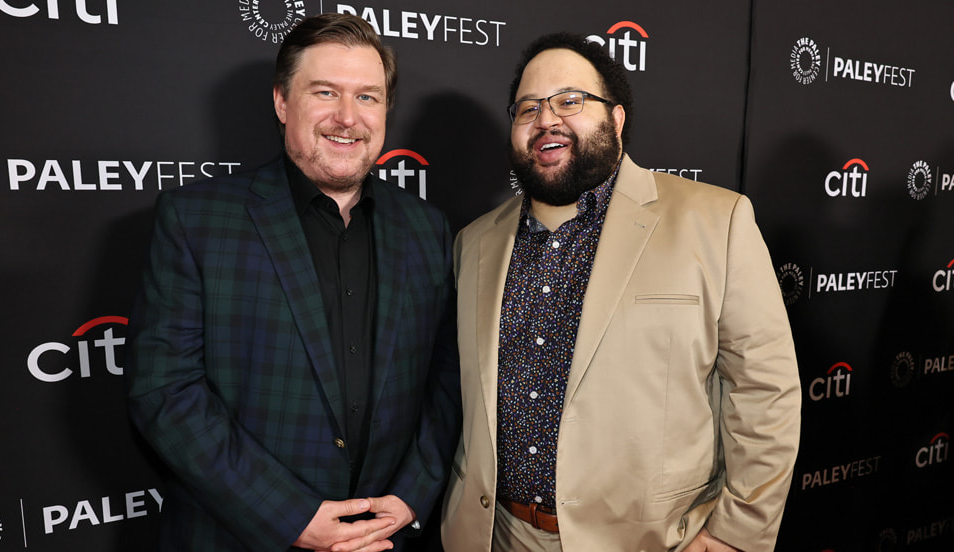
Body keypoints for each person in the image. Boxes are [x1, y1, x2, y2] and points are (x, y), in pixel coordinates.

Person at [441, 32, 801, 552]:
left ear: (616, 119)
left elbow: (765, 391)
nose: (546, 120)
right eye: (528, 108)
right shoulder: (473, 243)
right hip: (497, 536)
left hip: (654, 541)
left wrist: (736, 534)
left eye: (570, 101)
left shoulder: (716, 222)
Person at [125, 13, 459, 552]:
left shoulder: (427, 227)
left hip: (385, 537)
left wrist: (411, 495)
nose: (347, 117)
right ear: (282, 102)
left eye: (367, 97)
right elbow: (164, 390)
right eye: (325, 92)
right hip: (238, 538)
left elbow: (447, 379)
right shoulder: (197, 220)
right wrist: (291, 517)